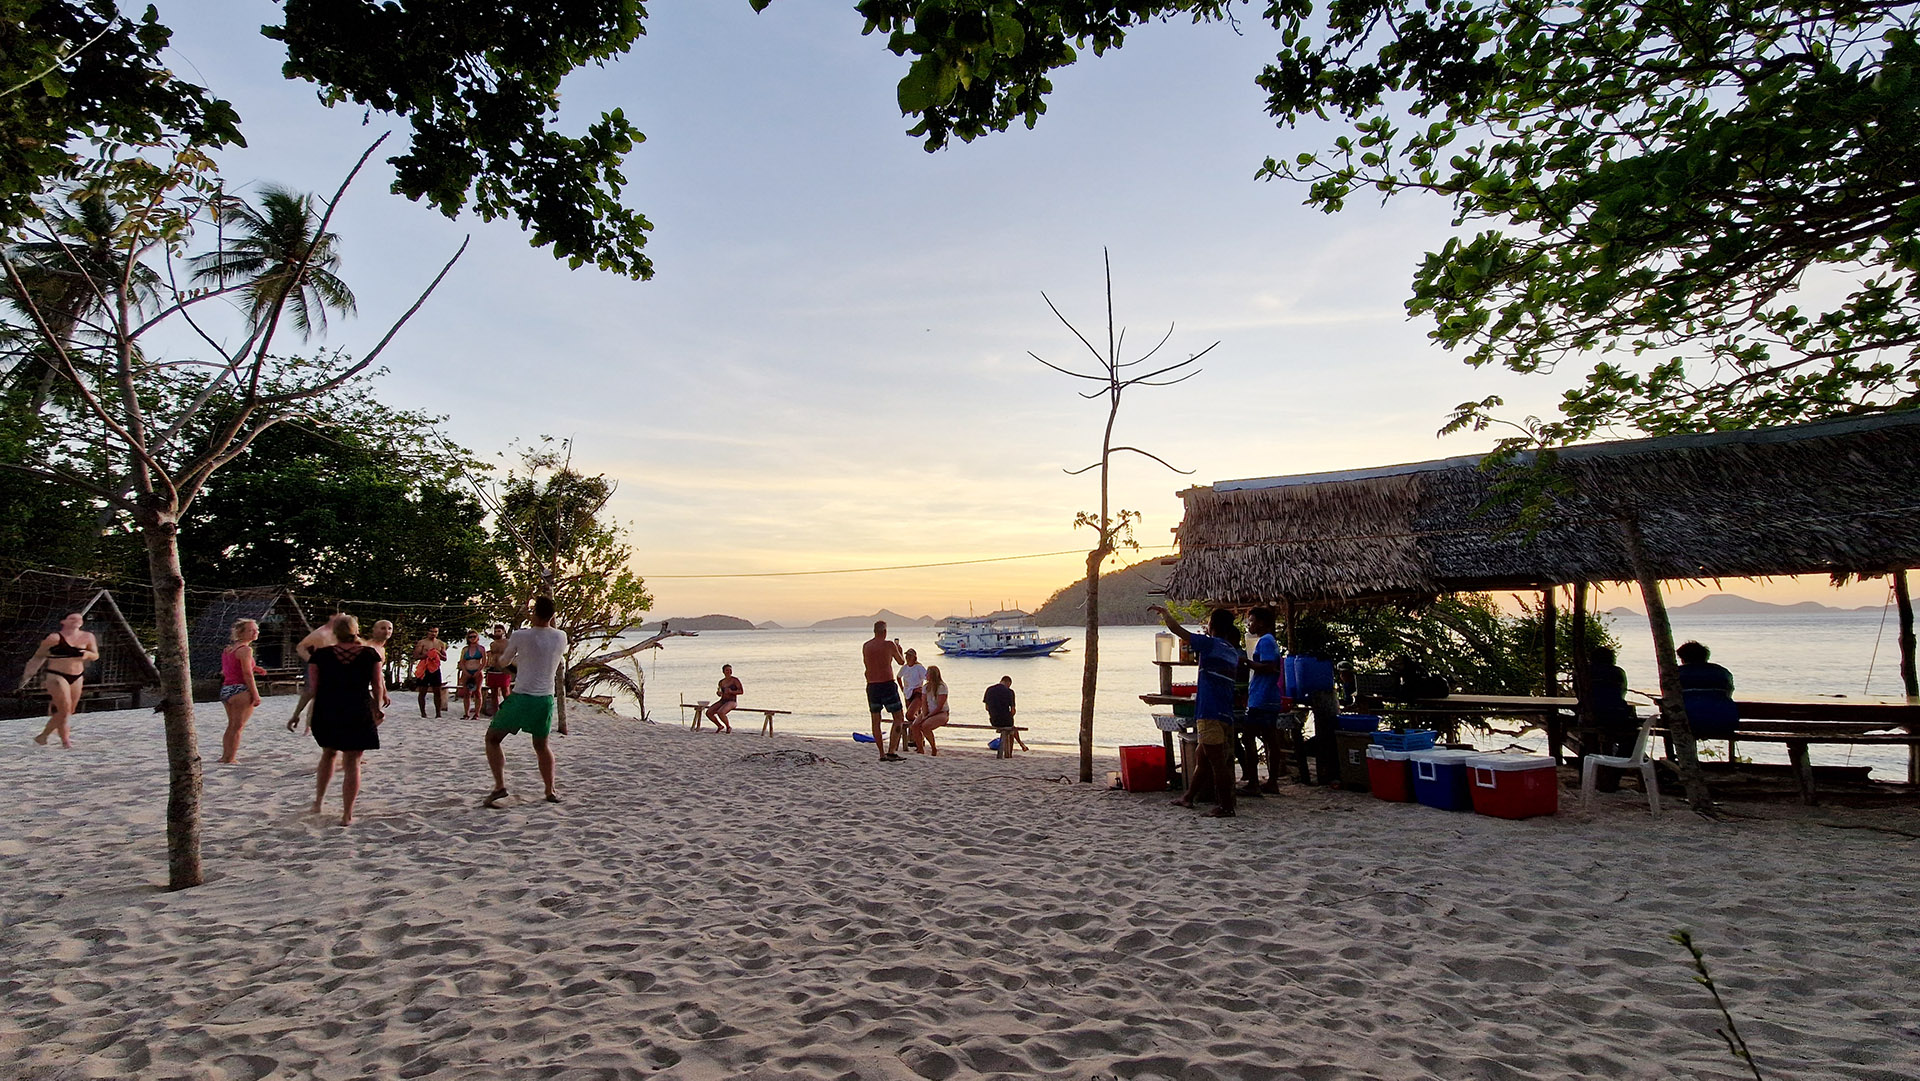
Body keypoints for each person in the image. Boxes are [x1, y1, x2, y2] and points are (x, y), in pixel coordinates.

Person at [1153, 605, 1245, 817]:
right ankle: (1188, 797)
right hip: (1225, 711)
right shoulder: (1231, 651)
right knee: (1202, 757)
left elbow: (1180, 632)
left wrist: (1166, 614)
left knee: (1217, 762)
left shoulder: (1210, 645)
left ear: (1211, 626)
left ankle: (1226, 806)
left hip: (1209, 711)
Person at [484, 596, 569, 807]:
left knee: (493, 738)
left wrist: (504, 661)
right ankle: (550, 790)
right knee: (542, 746)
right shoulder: (561, 637)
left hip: (522, 696)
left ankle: (499, 787)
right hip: (545, 699)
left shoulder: (521, 635)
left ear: (534, 613)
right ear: (553, 615)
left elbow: (504, 661)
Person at [307, 614, 385, 826]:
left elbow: (314, 688)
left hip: (328, 708)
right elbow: (377, 685)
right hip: (357, 708)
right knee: (353, 761)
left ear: (335, 632)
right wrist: (376, 707)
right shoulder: (369, 654)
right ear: (356, 630)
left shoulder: (321, 655)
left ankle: (318, 801)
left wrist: (301, 713)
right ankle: (347, 814)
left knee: (328, 754)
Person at [21, 611, 98, 748]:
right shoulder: (54, 638)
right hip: (56, 674)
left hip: (77, 675)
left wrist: (86, 654)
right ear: (64, 621)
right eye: (73, 618)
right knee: (64, 709)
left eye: (80, 619)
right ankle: (64, 741)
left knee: (69, 711)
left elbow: (95, 655)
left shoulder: (88, 636)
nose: (77, 620)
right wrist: (27, 676)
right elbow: (38, 656)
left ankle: (46, 737)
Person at [1238, 606, 1285, 796]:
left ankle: (1254, 783)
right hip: (1268, 697)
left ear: (1262, 622)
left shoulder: (1265, 641)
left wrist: (1247, 663)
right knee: (1271, 740)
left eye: (1252, 620)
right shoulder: (1270, 641)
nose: (1249, 624)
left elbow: (1269, 667)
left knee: (1248, 737)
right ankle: (1272, 781)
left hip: (1262, 698)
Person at [1586, 646, 1639, 793]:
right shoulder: (1617, 672)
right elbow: (1622, 693)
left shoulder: (1584, 672)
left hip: (1592, 716)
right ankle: (1614, 774)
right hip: (1616, 715)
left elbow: (1579, 693)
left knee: (1589, 738)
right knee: (1632, 738)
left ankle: (1602, 774)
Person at [216, 618, 265, 763]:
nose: (256, 632)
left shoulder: (229, 649)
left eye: (256, 629)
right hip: (240, 690)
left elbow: (227, 669)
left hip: (226, 689)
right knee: (238, 727)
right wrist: (255, 695)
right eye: (251, 630)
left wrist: (255, 667)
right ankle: (230, 758)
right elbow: (247, 674)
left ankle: (225, 756)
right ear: (240, 633)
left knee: (232, 725)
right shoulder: (246, 649)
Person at [288, 614, 346, 732]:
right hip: (318, 667)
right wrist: (313, 661)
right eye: (341, 616)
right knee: (311, 692)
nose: (343, 618)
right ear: (332, 616)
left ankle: (310, 723)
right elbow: (300, 647)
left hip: (332, 668)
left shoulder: (339, 632)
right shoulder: (321, 633)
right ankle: (299, 718)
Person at [861, 621, 907, 762]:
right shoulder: (889, 645)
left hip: (872, 686)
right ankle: (891, 751)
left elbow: (867, 664)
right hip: (886, 684)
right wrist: (898, 649)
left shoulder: (866, 646)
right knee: (898, 718)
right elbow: (901, 661)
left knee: (876, 720)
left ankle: (881, 753)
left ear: (874, 631)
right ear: (885, 632)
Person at [1676, 640, 1739, 739]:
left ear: (1683, 658)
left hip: (1687, 724)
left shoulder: (1675, 673)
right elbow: (1728, 693)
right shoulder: (1722, 672)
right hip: (1724, 723)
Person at [911, 664, 951, 755]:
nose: (926, 676)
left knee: (925, 726)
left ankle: (933, 748)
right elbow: (924, 702)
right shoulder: (926, 687)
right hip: (929, 711)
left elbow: (940, 706)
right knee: (915, 725)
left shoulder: (942, 687)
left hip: (941, 712)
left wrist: (929, 716)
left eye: (927, 674)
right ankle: (920, 748)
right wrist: (925, 714)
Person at [413, 626, 448, 718]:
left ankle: (438, 713)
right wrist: (427, 654)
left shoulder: (440, 643)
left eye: (435, 632)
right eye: (432, 631)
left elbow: (445, 658)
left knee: (437, 691)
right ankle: (423, 713)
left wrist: (437, 654)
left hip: (435, 669)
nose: (433, 633)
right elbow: (416, 656)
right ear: (428, 632)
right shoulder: (422, 642)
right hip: (425, 668)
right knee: (423, 691)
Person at [898, 648, 929, 751]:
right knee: (914, 716)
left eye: (909, 656)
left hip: (917, 693)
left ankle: (919, 731)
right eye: (906, 656)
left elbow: (927, 677)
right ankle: (917, 740)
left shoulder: (919, 667)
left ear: (914, 657)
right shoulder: (905, 667)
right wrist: (902, 688)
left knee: (910, 715)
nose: (907, 658)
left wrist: (923, 689)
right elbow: (898, 677)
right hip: (908, 693)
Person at [456, 630, 488, 720]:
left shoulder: (481, 648)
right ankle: (466, 713)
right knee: (467, 693)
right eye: (470, 637)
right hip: (467, 671)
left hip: (477, 671)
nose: (472, 638)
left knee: (477, 692)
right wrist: (465, 671)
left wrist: (478, 671)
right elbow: (462, 661)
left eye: (474, 636)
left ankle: (477, 714)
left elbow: (484, 661)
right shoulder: (465, 649)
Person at [983, 675, 1017, 758]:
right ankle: (1009, 753)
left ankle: (1012, 748)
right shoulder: (1010, 692)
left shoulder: (989, 689)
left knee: (1010, 728)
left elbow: (987, 708)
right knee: (1011, 729)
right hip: (1006, 720)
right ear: (1008, 683)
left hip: (993, 720)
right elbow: (1013, 710)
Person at [482, 624, 512, 716]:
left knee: (505, 692)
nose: (497, 633)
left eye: (499, 631)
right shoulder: (493, 644)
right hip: (493, 669)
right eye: (495, 631)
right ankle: (496, 713)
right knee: (494, 693)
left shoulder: (508, 642)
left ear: (503, 632)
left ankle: (508, 712)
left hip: (504, 669)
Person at [705, 664, 743, 732]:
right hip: (723, 700)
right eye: (727, 670)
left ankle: (728, 727)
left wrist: (731, 691)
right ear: (723, 672)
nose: (729, 672)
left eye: (730, 670)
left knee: (721, 712)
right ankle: (719, 725)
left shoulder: (735, 680)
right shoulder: (721, 682)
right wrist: (719, 693)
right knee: (709, 712)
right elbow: (720, 692)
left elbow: (741, 691)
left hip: (732, 701)